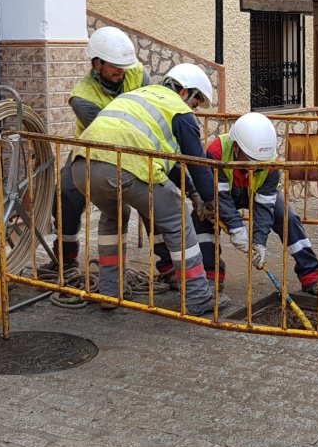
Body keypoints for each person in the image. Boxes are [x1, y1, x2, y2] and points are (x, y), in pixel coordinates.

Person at [73, 63, 237, 315]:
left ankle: (109, 291)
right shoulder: (178, 110)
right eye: (195, 102)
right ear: (185, 92)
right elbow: (198, 162)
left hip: (83, 166)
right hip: (126, 165)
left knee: (113, 217)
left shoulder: (136, 96)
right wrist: (212, 201)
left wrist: (194, 195)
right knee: (178, 218)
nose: (192, 109)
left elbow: (169, 163)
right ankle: (198, 296)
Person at [191, 112, 318, 299]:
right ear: (236, 147)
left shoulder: (270, 163)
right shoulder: (217, 152)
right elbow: (220, 198)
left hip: (257, 193)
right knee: (203, 220)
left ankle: (312, 276)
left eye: (260, 163)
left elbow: (264, 207)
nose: (257, 166)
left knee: (288, 218)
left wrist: (259, 242)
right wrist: (237, 228)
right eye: (252, 161)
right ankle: (211, 277)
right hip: (224, 194)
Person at [42, 26, 148, 282]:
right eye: (114, 65)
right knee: (66, 193)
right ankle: (65, 258)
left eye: (124, 65)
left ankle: (168, 266)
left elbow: (150, 105)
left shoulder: (137, 73)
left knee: (154, 197)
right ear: (97, 63)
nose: (121, 71)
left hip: (138, 144)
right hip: (93, 147)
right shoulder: (82, 98)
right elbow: (106, 134)